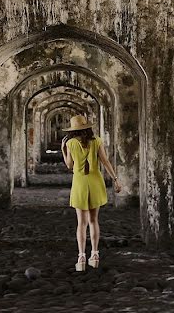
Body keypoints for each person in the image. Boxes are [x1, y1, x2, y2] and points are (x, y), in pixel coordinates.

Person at [60, 114, 122, 272]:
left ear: (73, 130)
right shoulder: (97, 141)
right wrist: (115, 179)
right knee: (94, 221)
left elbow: (69, 165)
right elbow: (105, 161)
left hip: (80, 182)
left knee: (81, 223)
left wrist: (63, 150)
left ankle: (81, 257)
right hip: (95, 181)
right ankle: (94, 255)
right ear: (87, 127)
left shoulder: (70, 143)